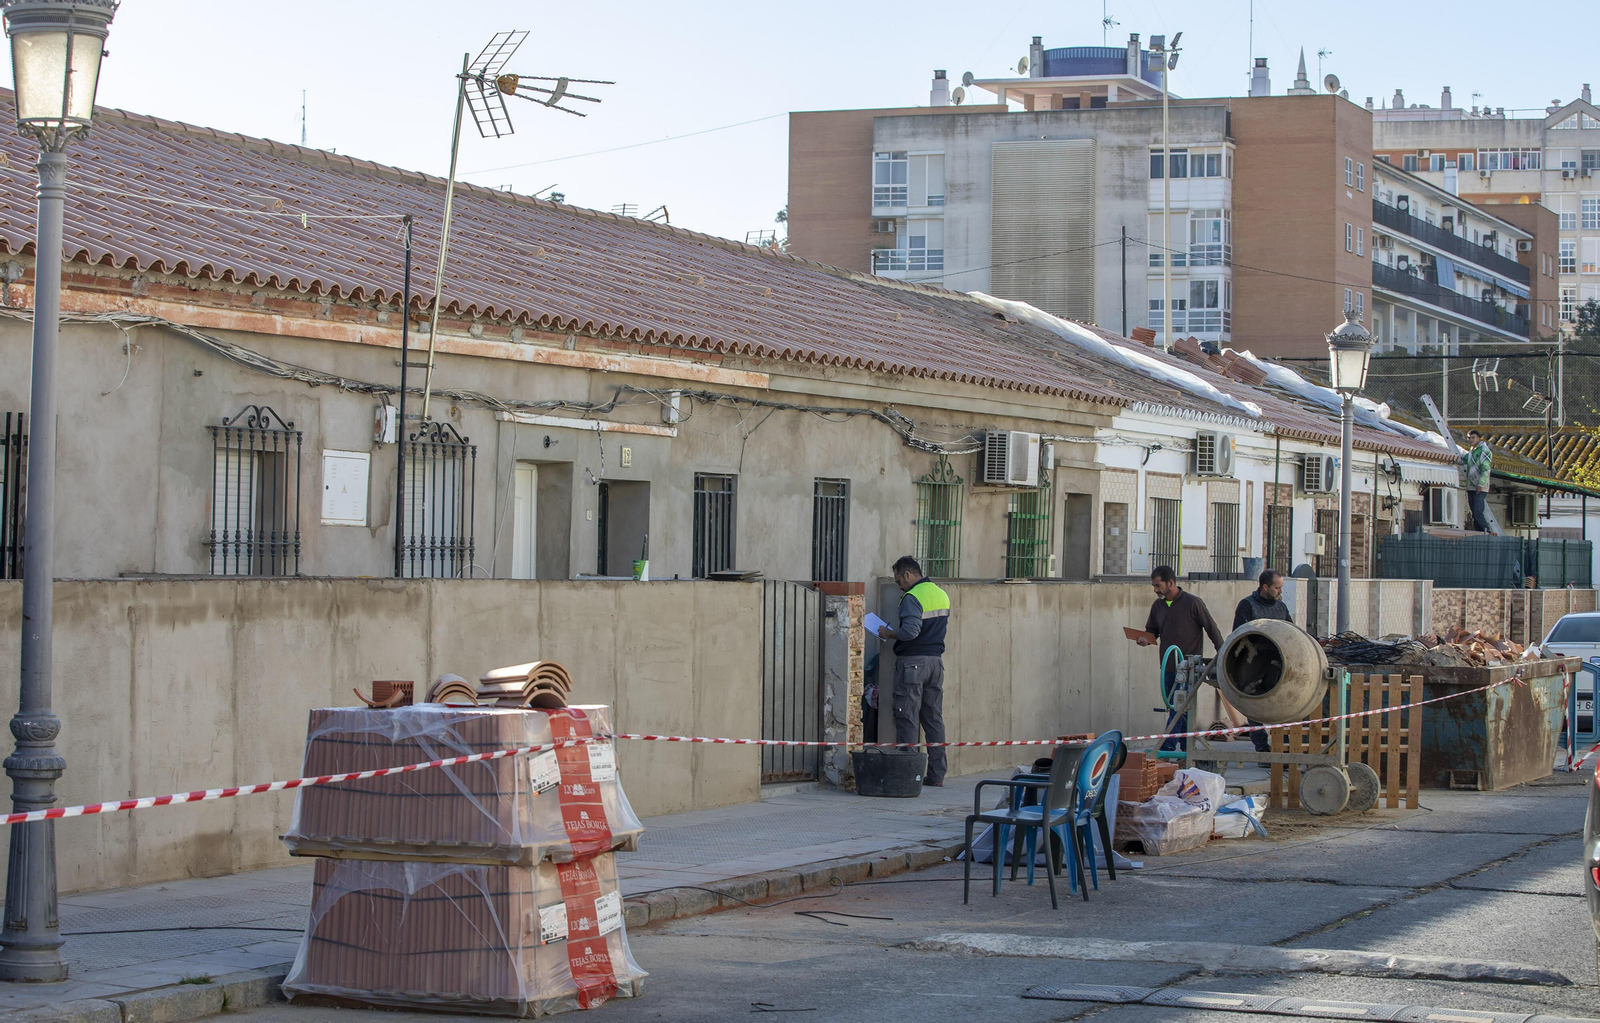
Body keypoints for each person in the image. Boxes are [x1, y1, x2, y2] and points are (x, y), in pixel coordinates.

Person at [874, 556, 950, 788]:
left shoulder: (912, 597)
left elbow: (910, 632)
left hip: (913, 664)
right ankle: (936, 775)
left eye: (898, 580)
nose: (899, 586)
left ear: (907, 575)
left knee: (906, 716)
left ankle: (907, 776)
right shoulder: (940, 594)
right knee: (933, 718)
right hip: (935, 663)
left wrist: (888, 634)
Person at [1138, 565, 1224, 751]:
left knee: (1178, 707)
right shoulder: (1158, 606)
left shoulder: (1192, 603)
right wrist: (1145, 639)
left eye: (1158, 585)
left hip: (1188, 668)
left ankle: (1167, 747)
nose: (1155, 590)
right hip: (1168, 666)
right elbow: (1152, 631)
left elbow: (1211, 628)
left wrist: (1223, 654)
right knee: (1179, 708)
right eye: (1153, 586)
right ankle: (1187, 748)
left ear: (1170, 583)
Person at [1232, 569, 1293, 754]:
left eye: (1281, 587)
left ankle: (1282, 746)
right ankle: (1261, 747)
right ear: (1265, 587)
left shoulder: (1281, 608)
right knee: (1254, 704)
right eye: (1277, 588)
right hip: (1253, 664)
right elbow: (1239, 634)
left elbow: (1291, 632)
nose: (1280, 591)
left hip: (1278, 664)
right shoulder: (1247, 606)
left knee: (1282, 704)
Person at [1460, 429, 1492, 532]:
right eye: (1469, 438)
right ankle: (1480, 532)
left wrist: (1481, 484)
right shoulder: (1472, 451)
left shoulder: (1484, 451)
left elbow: (1486, 469)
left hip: (1479, 486)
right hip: (1471, 485)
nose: (1470, 440)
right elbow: (1465, 459)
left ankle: (1486, 532)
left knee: (1478, 512)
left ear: (1478, 438)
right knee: (1474, 512)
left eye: (1473, 438)